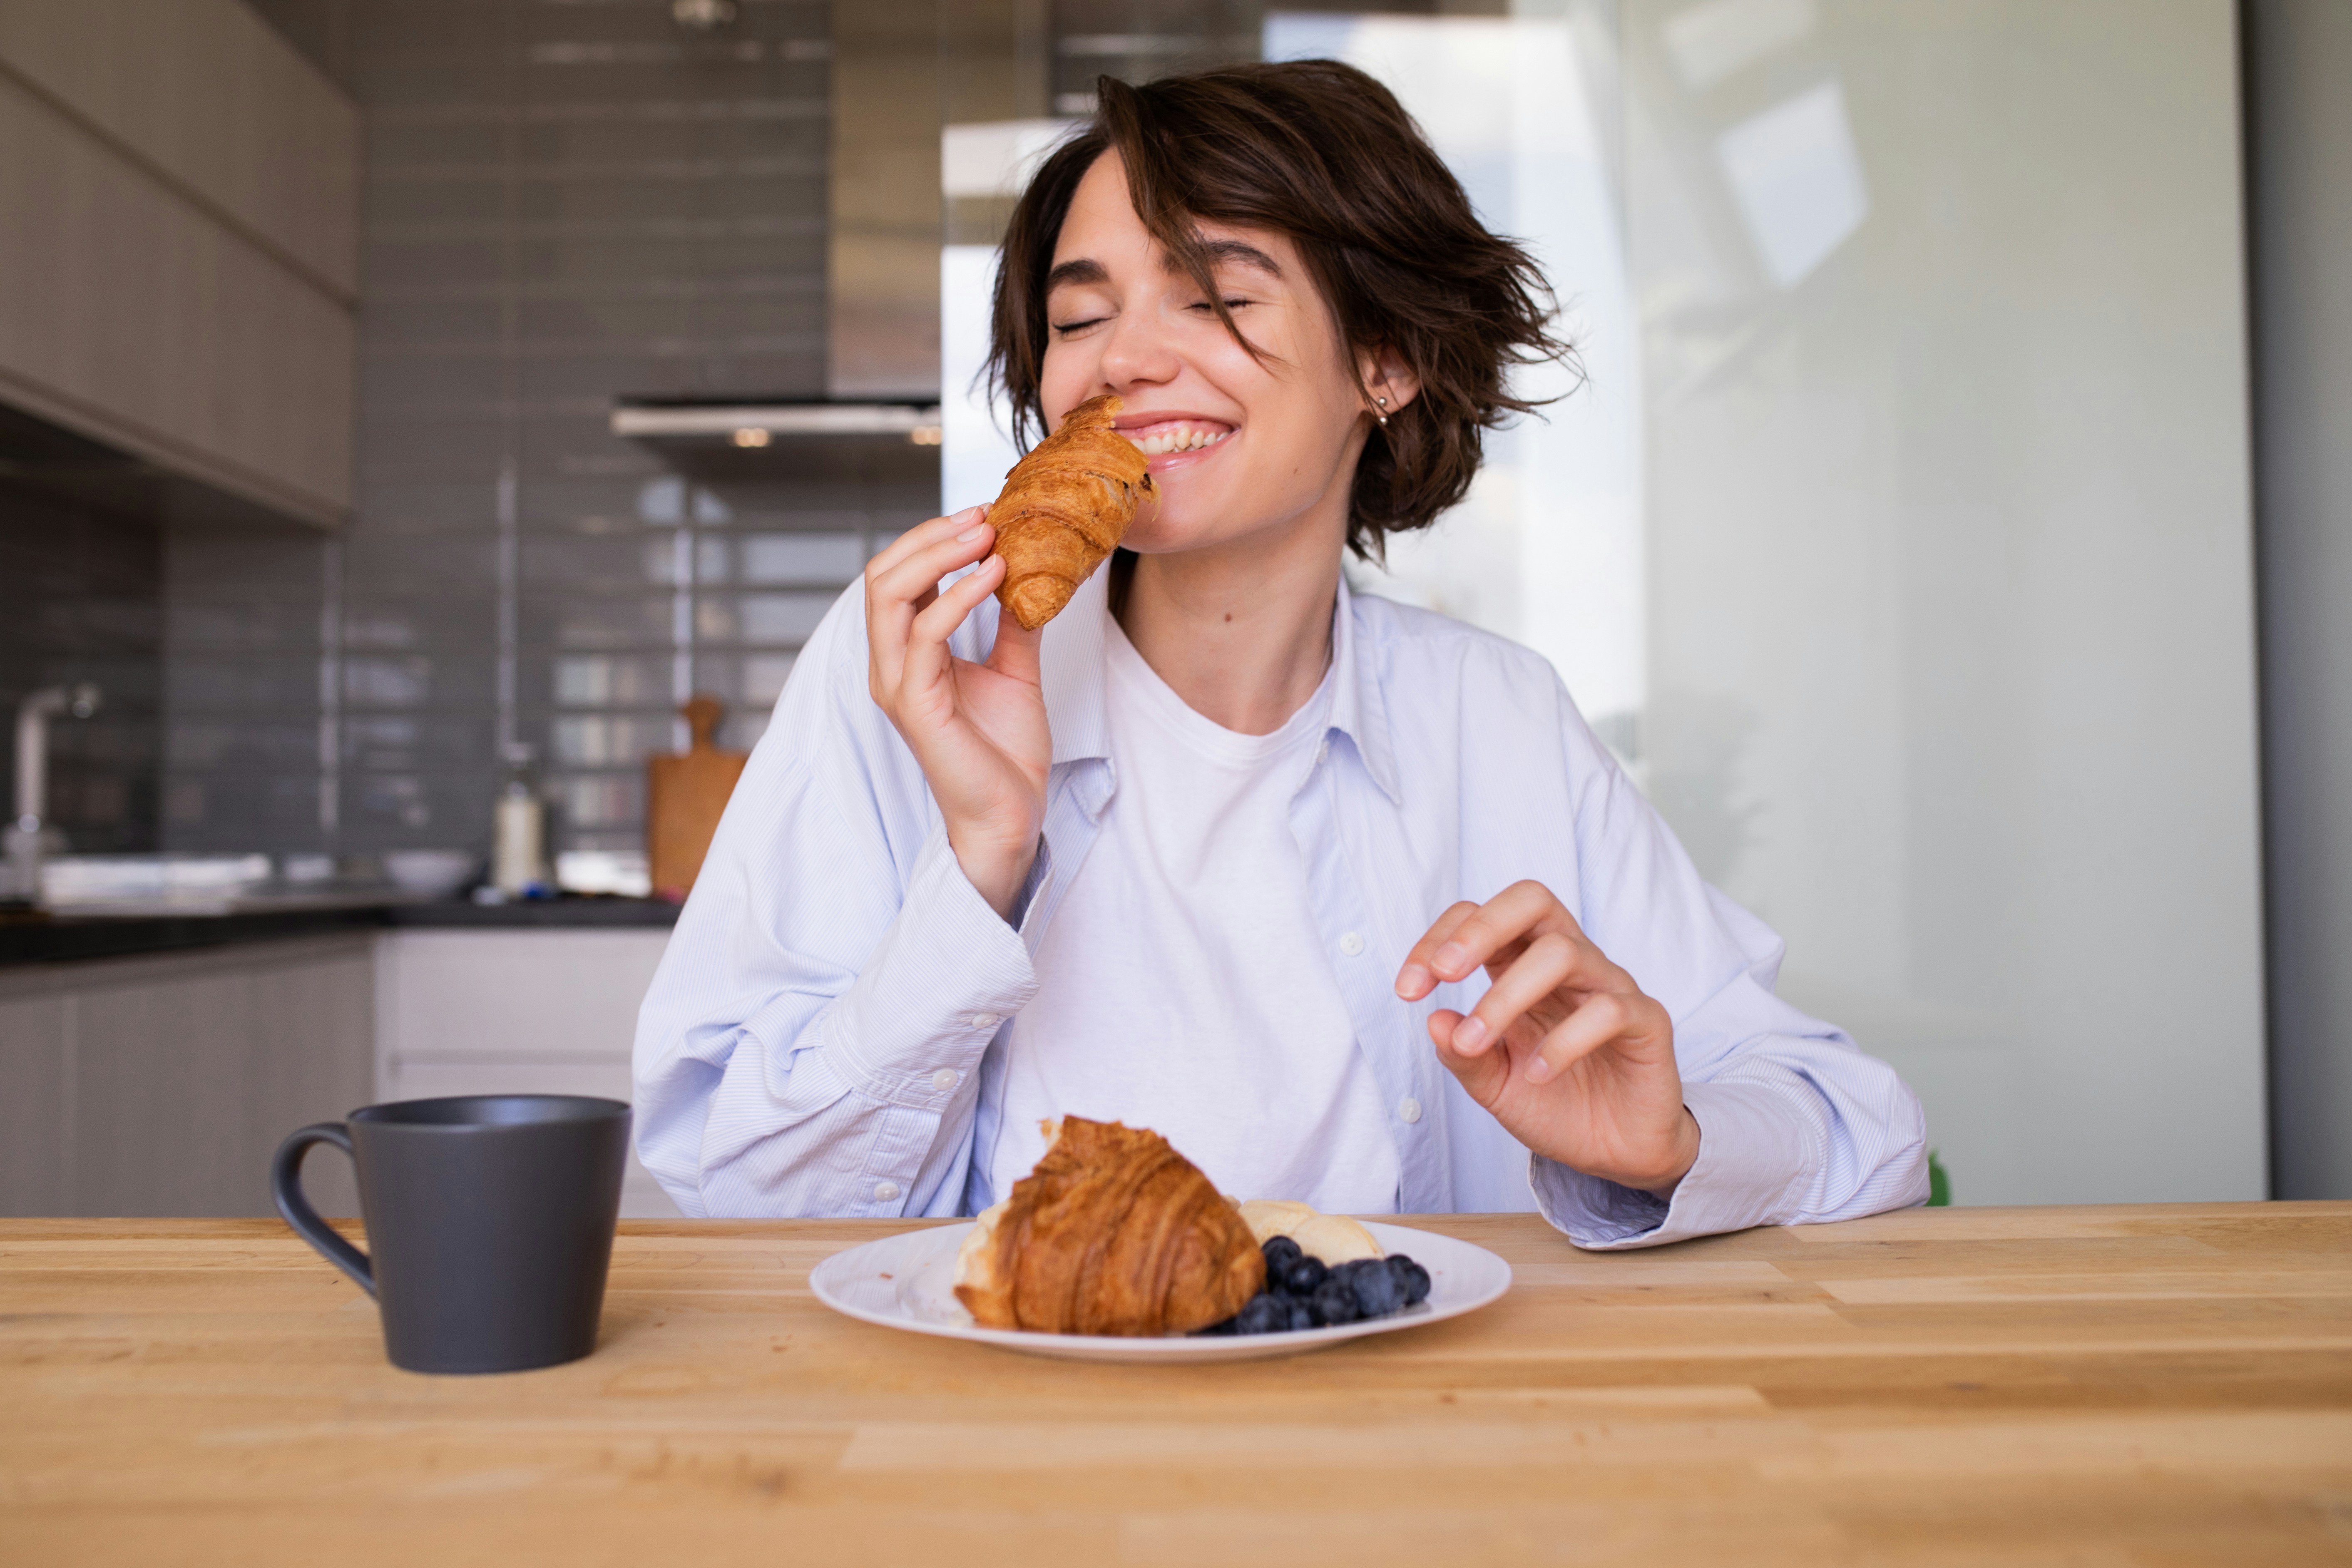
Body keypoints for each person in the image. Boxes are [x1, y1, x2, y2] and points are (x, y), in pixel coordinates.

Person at [632, 61, 1927, 1247]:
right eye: (1078, 322)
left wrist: (1668, 1149)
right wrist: (978, 868)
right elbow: (743, 1201)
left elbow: (1856, 1125)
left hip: (1424, 1449)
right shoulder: (912, 678)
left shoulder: (1495, 719)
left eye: (1214, 298)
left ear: (1387, 358)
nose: (1123, 363)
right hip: (1022, 1458)